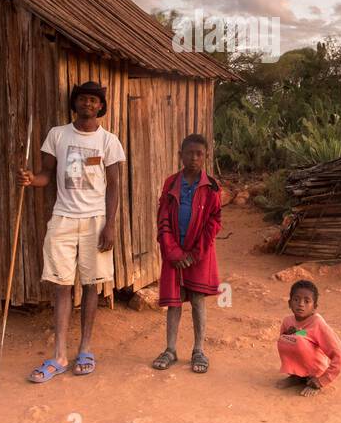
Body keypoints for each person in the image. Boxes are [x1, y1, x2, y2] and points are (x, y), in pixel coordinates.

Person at [18, 81, 125, 382]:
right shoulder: (57, 135)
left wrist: (111, 224)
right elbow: (46, 175)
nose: (88, 104)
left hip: (95, 220)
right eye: (83, 99)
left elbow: (115, 186)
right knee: (61, 285)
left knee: (91, 284)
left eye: (94, 100)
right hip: (63, 219)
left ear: (100, 106)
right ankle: (60, 355)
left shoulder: (109, 141)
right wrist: (30, 180)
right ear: (74, 103)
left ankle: (86, 349)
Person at [150, 134, 222, 374]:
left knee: (198, 300)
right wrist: (172, 251)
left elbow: (214, 222)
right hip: (175, 254)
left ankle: (198, 349)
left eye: (199, 154)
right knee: (174, 301)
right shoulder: (171, 183)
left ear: (205, 157)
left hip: (198, 255)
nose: (194, 157)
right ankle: (170, 349)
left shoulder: (211, 187)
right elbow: (162, 219)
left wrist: (193, 253)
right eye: (189, 153)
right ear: (180, 155)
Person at [277, 279, 341, 396]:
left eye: (307, 301)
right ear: (289, 303)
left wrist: (322, 380)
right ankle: (298, 376)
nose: (300, 304)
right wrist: (290, 335)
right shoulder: (287, 321)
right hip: (303, 361)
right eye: (296, 299)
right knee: (285, 340)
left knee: (296, 340)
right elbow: (305, 333)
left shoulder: (318, 323)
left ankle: (314, 378)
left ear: (314, 306)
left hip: (318, 371)